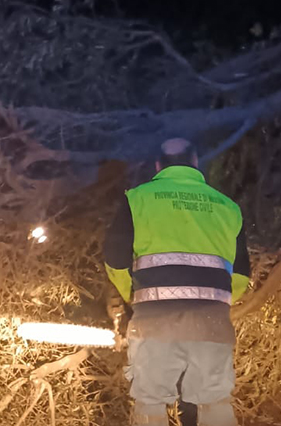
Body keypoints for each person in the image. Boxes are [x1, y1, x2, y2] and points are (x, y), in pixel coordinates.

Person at [103, 138, 251, 426]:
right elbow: (242, 275)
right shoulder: (228, 207)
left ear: (158, 166)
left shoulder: (138, 199)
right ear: (195, 162)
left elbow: (115, 258)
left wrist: (133, 297)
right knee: (214, 402)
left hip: (154, 322)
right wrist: (216, 303)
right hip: (211, 322)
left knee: (151, 404)